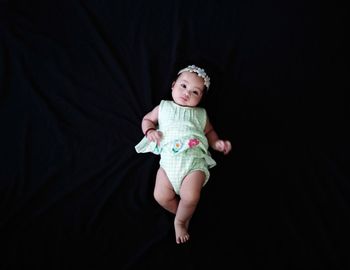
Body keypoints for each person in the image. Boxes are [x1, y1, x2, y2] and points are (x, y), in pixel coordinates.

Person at [135, 64, 232, 244]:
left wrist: (217, 143)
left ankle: (179, 221)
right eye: (184, 86)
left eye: (195, 92)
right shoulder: (163, 107)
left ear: (201, 97)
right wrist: (149, 131)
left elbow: (209, 133)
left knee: (192, 196)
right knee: (160, 196)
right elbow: (147, 119)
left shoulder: (201, 114)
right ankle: (183, 211)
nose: (187, 93)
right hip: (168, 164)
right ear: (173, 85)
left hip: (193, 162)